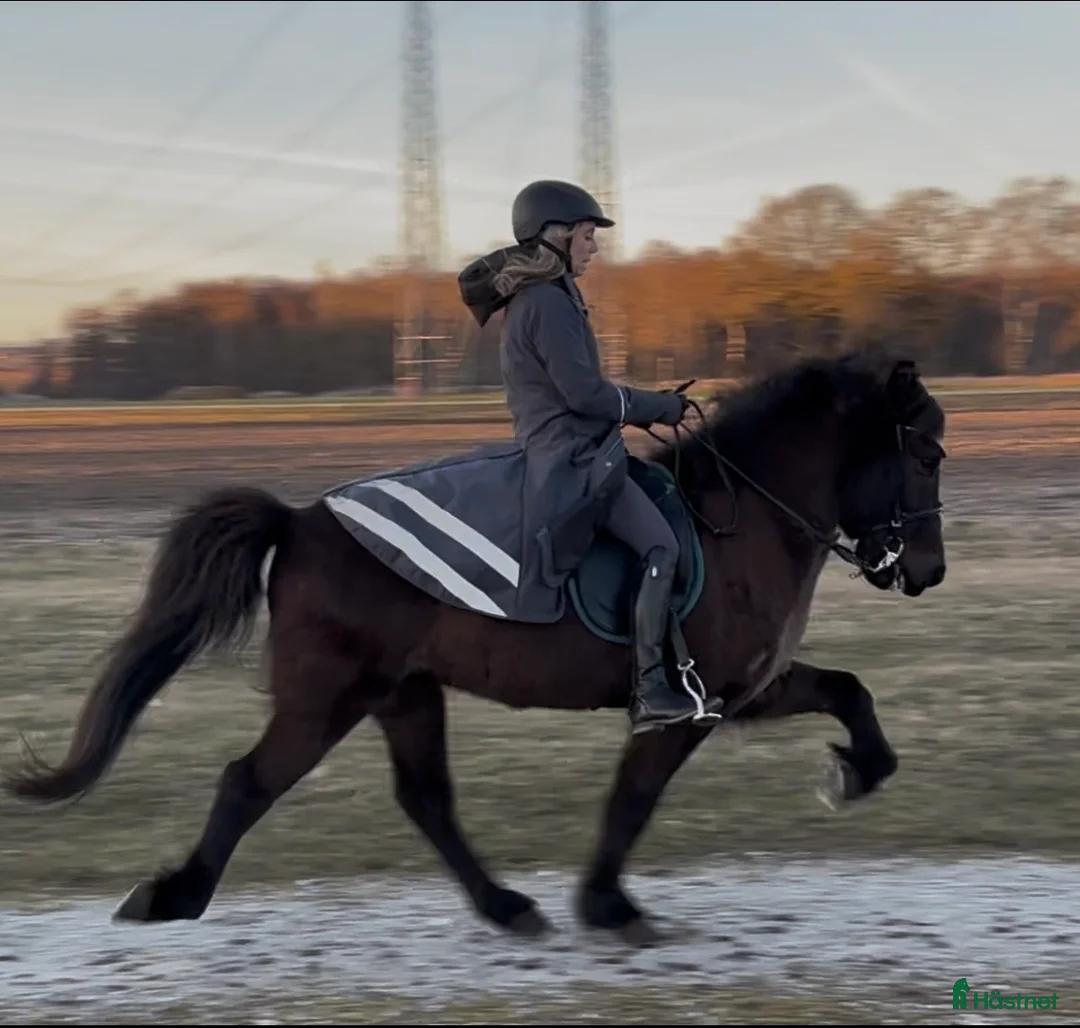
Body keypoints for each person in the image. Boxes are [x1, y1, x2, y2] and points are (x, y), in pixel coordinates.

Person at [480, 179, 725, 734]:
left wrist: (644, 405)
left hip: (575, 448)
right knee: (662, 546)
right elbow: (585, 395)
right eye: (588, 235)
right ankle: (650, 689)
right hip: (571, 460)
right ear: (556, 235)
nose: (595, 247)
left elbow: (586, 392)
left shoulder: (544, 297)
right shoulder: (547, 302)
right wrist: (660, 407)